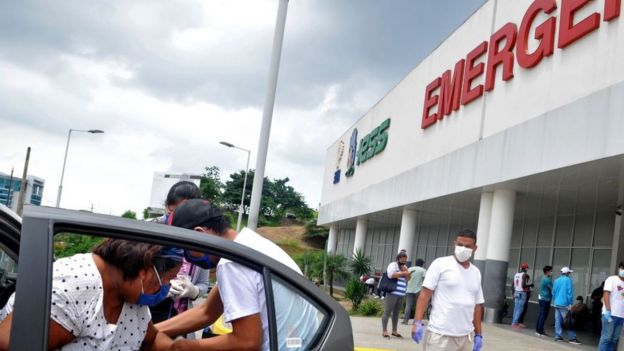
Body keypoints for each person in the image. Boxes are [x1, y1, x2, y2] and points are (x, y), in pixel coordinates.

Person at [155, 199, 319, 350]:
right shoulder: (248, 246)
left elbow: (247, 341)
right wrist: (151, 331)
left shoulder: (232, 263)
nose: (186, 257)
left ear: (200, 233)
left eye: (186, 248)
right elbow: (206, 311)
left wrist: (185, 346)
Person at [0, 239, 183, 350]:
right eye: (167, 279)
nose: (167, 287)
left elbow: (149, 340)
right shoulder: (74, 285)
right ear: (145, 272)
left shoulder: (132, 301)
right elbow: (10, 344)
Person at [149, 181, 209, 330]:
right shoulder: (149, 230)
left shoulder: (201, 241)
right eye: (172, 213)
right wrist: (158, 288)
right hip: (146, 317)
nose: (177, 221)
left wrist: (193, 291)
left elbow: (203, 284)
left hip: (180, 324)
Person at [411, 229, 484, 351]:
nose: (463, 248)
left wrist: (478, 334)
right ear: (454, 243)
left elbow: (477, 305)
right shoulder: (440, 264)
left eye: (467, 246)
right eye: (460, 244)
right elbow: (424, 295)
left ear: (475, 248)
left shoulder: (476, 272)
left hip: (466, 338)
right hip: (440, 336)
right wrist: (417, 322)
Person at [381, 252, 410, 338]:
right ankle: (385, 331)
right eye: (402, 259)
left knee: (396, 313)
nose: (404, 261)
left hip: (401, 294)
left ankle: (394, 331)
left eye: (405, 259)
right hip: (393, 292)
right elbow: (391, 275)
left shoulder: (405, 267)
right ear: (398, 258)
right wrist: (403, 273)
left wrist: (407, 272)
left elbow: (408, 279)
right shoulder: (393, 265)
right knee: (387, 312)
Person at [598, 262, 624, 350]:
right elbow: (606, 294)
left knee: (614, 339)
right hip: (610, 314)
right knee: (606, 338)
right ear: (619, 268)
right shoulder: (611, 279)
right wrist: (608, 310)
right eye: (622, 268)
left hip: (621, 316)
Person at [552, 266, 581, 344]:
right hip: (564, 304)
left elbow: (553, 292)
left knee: (557, 321)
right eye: (569, 273)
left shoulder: (556, 280)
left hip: (556, 303)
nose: (569, 274)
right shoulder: (568, 280)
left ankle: (558, 336)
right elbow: (569, 293)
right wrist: (570, 303)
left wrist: (555, 300)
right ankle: (572, 338)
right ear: (567, 273)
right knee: (568, 321)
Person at [402, 258, 426, 325]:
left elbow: (406, 278)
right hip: (418, 290)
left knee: (408, 305)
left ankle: (405, 321)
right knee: (419, 306)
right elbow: (425, 280)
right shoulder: (423, 270)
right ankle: (417, 322)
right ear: (422, 264)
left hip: (409, 289)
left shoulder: (410, 269)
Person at [511, 263, 533, 329]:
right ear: (525, 268)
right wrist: (530, 285)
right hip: (522, 293)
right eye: (527, 268)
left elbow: (512, 285)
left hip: (516, 292)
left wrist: (513, 294)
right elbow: (523, 286)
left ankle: (514, 322)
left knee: (516, 308)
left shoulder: (516, 274)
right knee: (520, 309)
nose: (527, 269)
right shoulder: (524, 275)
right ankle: (515, 323)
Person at [535, 265, 553, 337]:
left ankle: (538, 330)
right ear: (547, 272)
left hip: (541, 298)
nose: (552, 272)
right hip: (545, 299)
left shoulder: (543, 278)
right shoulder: (547, 279)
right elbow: (551, 289)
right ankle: (540, 331)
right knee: (543, 315)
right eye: (551, 271)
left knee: (541, 314)